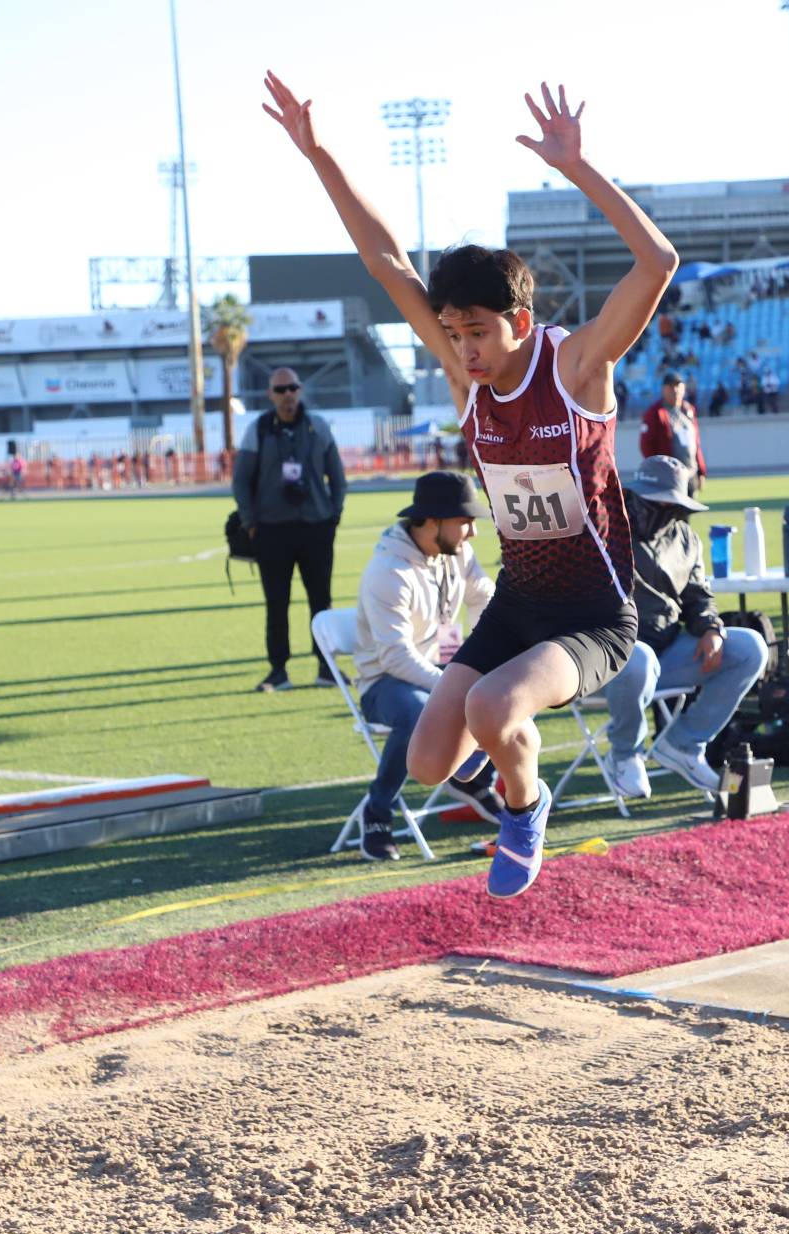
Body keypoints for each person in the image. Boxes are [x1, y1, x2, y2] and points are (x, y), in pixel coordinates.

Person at [265, 73, 670, 900]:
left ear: (519, 320)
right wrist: (320, 155)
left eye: (477, 331)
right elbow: (387, 264)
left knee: (493, 708)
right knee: (424, 759)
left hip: (593, 615)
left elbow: (656, 262)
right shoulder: (466, 377)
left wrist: (580, 170)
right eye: (452, 333)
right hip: (520, 603)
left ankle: (525, 808)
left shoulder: (578, 366)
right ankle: (522, 776)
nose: (464, 350)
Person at [599, 456, 766, 800]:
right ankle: (625, 754)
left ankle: (684, 744)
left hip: (667, 649)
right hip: (604, 660)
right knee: (638, 658)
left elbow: (698, 596)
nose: (662, 509)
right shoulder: (602, 527)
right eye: (654, 500)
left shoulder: (686, 537)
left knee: (750, 647)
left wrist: (711, 630)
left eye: (668, 502)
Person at [351, 471, 498, 860]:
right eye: (464, 521)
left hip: (438, 668)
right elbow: (394, 657)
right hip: (384, 683)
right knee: (418, 710)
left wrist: (485, 653)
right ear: (432, 521)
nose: (472, 533)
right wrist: (456, 684)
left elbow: (488, 597)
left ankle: (476, 779)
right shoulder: (388, 572)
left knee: (507, 686)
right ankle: (377, 812)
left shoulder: (456, 553)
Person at [234, 365, 347, 691]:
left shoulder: (318, 427)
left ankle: (327, 669)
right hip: (271, 530)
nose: (287, 395)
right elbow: (241, 479)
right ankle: (278, 670)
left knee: (321, 602)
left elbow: (337, 478)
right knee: (276, 602)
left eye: (292, 388)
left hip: (315, 527)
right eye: (280, 390)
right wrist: (250, 521)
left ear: (300, 391)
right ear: (271, 394)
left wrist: (333, 516)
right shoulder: (258, 430)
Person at [638, 371, 706, 493]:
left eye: (678, 386)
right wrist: (659, 471)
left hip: (690, 474)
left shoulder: (688, 410)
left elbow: (695, 443)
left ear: (684, 389)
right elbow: (646, 445)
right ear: (663, 389)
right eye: (671, 387)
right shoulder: (655, 413)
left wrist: (701, 471)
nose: (675, 390)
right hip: (669, 477)